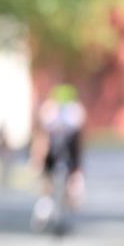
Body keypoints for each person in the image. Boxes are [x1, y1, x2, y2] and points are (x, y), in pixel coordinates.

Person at [30, 84, 86, 231]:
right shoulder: (58, 114)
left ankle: (54, 217)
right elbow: (43, 141)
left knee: (55, 191)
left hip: (62, 159)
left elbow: (76, 144)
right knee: (50, 191)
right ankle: (47, 216)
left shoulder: (58, 114)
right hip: (55, 158)